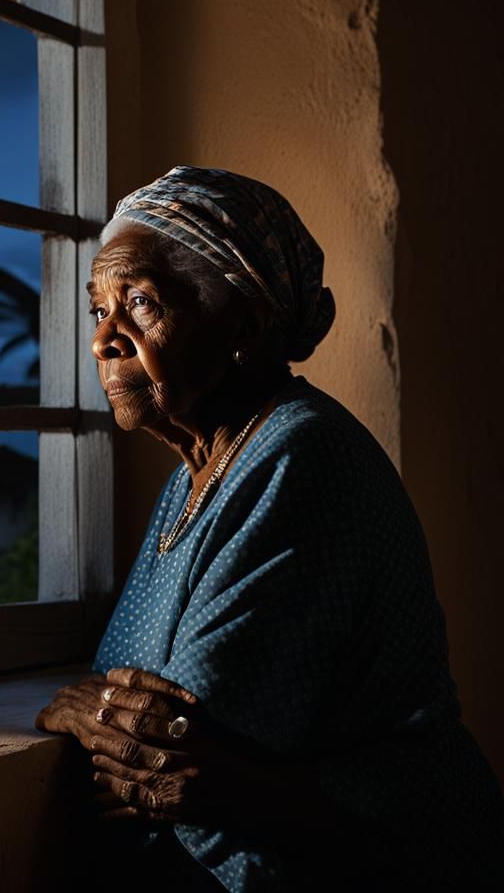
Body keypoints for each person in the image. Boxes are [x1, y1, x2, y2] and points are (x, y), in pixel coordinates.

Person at [35, 166, 503, 890]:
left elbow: (163, 756)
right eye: (99, 310)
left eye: (140, 303)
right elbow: (150, 736)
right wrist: (111, 719)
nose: (104, 340)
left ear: (244, 328)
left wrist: (88, 712)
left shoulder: (299, 458)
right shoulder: (190, 482)